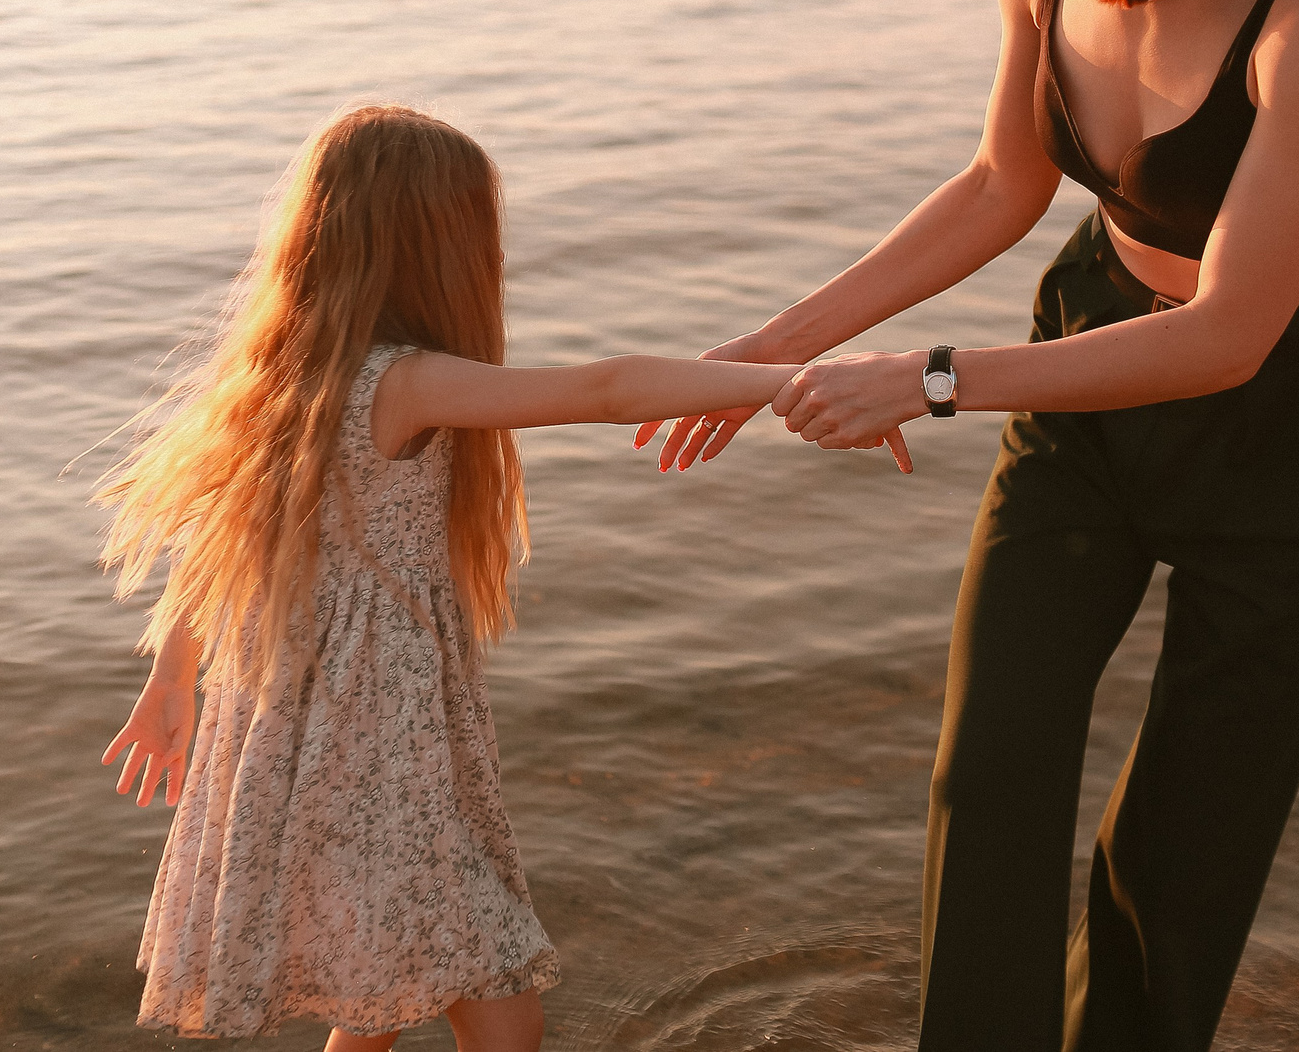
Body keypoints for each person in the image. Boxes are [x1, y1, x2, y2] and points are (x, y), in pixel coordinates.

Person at [639, 0, 1299, 1051]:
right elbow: (1006, 183)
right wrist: (770, 350)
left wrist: (927, 381)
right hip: (1089, 351)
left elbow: (1231, 331)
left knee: (1182, 842)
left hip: (1290, 415)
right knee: (991, 767)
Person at [96, 104, 888, 1051]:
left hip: (329, 726)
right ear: (434, 248)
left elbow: (222, 536)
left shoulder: (288, 375)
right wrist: (789, 383)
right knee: (491, 986)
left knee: (397, 974)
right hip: (379, 728)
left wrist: (172, 679)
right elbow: (608, 388)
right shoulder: (405, 381)